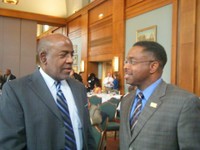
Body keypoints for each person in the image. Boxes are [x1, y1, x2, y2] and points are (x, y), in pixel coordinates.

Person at [0, 33, 95, 150]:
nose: (70, 60)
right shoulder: (16, 90)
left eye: (71, 54)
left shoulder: (79, 88)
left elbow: (87, 134)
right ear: (43, 58)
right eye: (64, 55)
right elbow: (12, 144)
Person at [120, 41, 200, 149]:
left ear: (153, 66)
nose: (125, 66)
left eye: (132, 62)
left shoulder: (185, 103)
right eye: (126, 61)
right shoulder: (127, 100)